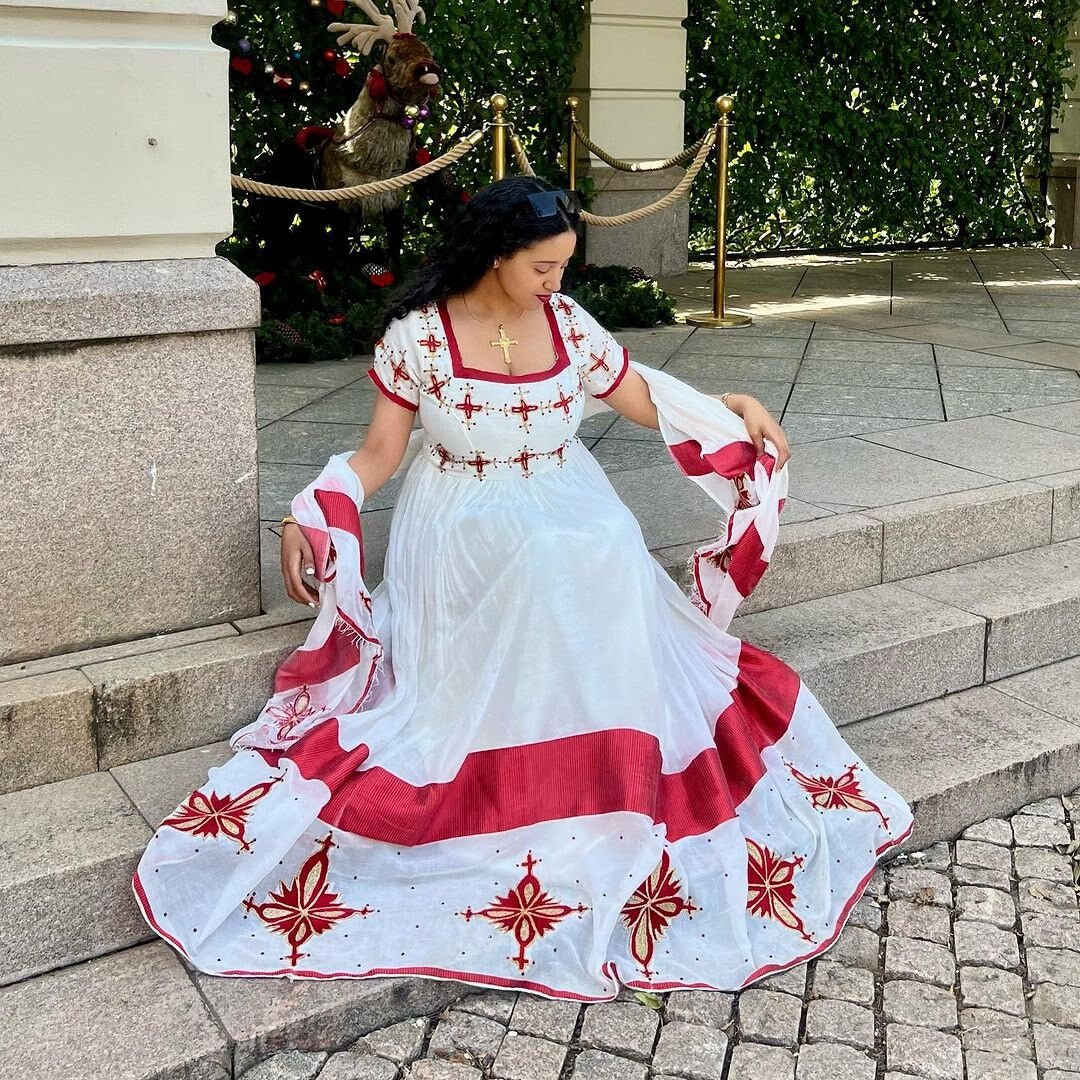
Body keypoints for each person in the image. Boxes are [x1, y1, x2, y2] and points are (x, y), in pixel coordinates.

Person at [133, 177, 913, 999]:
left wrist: (730, 408)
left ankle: (609, 761)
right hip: (460, 511)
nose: (557, 283)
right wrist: (313, 511)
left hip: (563, 489)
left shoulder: (567, 324)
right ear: (495, 254)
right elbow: (376, 457)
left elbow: (642, 398)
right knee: (543, 557)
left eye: (564, 266)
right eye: (543, 267)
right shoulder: (417, 339)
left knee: (600, 541)